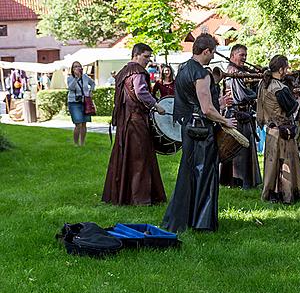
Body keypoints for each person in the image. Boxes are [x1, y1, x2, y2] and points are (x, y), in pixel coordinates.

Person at [162, 34, 237, 232]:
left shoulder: (184, 68)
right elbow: (206, 110)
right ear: (206, 51)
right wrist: (225, 120)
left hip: (188, 128)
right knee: (205, 173)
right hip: (202, 130)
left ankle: (183, 219)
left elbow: (192, 101)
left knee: (188, 173)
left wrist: (218, 103)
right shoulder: (201, 74)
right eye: (212, 53)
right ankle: (202, 222)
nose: (213, 58)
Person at [102, 43, 168, 206]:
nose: (148, 60)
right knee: (140, 158)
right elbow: (141, 92)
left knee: (126, 157)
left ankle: (122, 196)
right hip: (135, 120)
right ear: (136, 55)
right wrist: (156, 105)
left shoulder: (123, 72)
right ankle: (140, 198)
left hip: (125, 122)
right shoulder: (137, 71)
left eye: (149, 57)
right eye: (145, 56)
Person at [257, 54, 300, 204]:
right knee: (285, 164)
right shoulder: (280, 88)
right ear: (280, 69)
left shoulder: (263, 84)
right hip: (282, 132)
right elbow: (291, 108)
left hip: (271, 130)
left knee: (272, 165)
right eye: (286, 67)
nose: (287, 70)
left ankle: (272, 193)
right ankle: (285, 194)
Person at [220, 44, 262, 190]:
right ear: (233, 56)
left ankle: (243, 182)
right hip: (236, 115)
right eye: (241, 55)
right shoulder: (233, 72)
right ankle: (238, 182)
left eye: (245, 55)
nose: (244, 58)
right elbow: (241, 95)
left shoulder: (240, 71)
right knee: (239, 149)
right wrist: (257, 95)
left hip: (244, 114)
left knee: (245, 149)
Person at [66, 61, 95, 146]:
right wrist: (76, 78)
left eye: (79, 66)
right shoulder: (70, 78)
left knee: (84, 123)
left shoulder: (85, 77)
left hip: (84, 101)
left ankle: (82, 143)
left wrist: (90, 91)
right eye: (75, 67)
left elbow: (92, 83)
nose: (77, 68)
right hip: (74, 102)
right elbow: (70, 88)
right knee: (78, 123)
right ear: (72, 69)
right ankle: (76, 143)